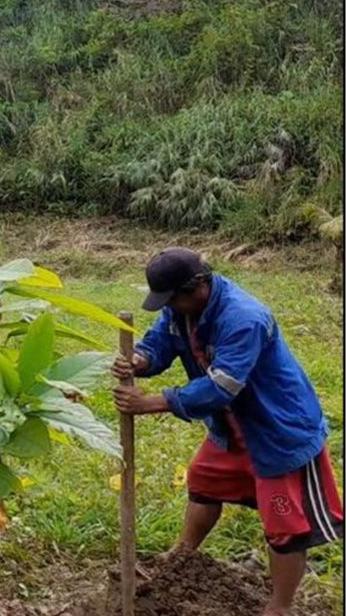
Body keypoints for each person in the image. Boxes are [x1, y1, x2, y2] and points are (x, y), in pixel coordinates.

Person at [112, 247, 343, 616]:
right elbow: (161, 340)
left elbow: (222, 385)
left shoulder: (243, 317)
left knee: (284, 526)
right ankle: (182, 556)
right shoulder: (181, 309)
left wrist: (153, 402)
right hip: (232, 424)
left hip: (277, 428)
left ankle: (279, 606)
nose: (170, 307)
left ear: (199, 286)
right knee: (203, 482)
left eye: (174, 299)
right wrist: (141, 359)